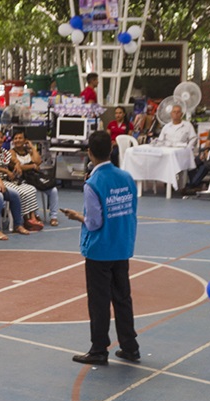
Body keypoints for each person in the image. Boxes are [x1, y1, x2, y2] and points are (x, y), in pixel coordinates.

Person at [63, 130, 140, 366]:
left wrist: (79, 217)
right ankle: (130, 346)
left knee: (99, 301)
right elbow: (131, 209)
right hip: (122, 244)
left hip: (100, 250)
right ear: (111, 150)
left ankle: (98, 349)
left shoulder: (93, 183)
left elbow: (95, 222)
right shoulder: (126, 177)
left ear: (89, 152)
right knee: (122, 297)